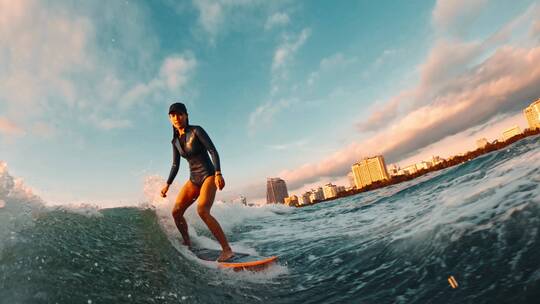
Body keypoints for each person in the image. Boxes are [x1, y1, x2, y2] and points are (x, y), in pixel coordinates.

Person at [160, 102, 234, 262]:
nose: (176, 118)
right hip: (194, 179)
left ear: (186, 115)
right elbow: (175, 164)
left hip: (208, 175)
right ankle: (188, 243)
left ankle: (227, 250)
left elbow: (212, 150)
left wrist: (218, 173)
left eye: (180, 114)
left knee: (202, 210)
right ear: (169, 118)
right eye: (173, 115)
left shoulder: (196, 130)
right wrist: (167, 184)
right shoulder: (175, 142)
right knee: (176, 212)